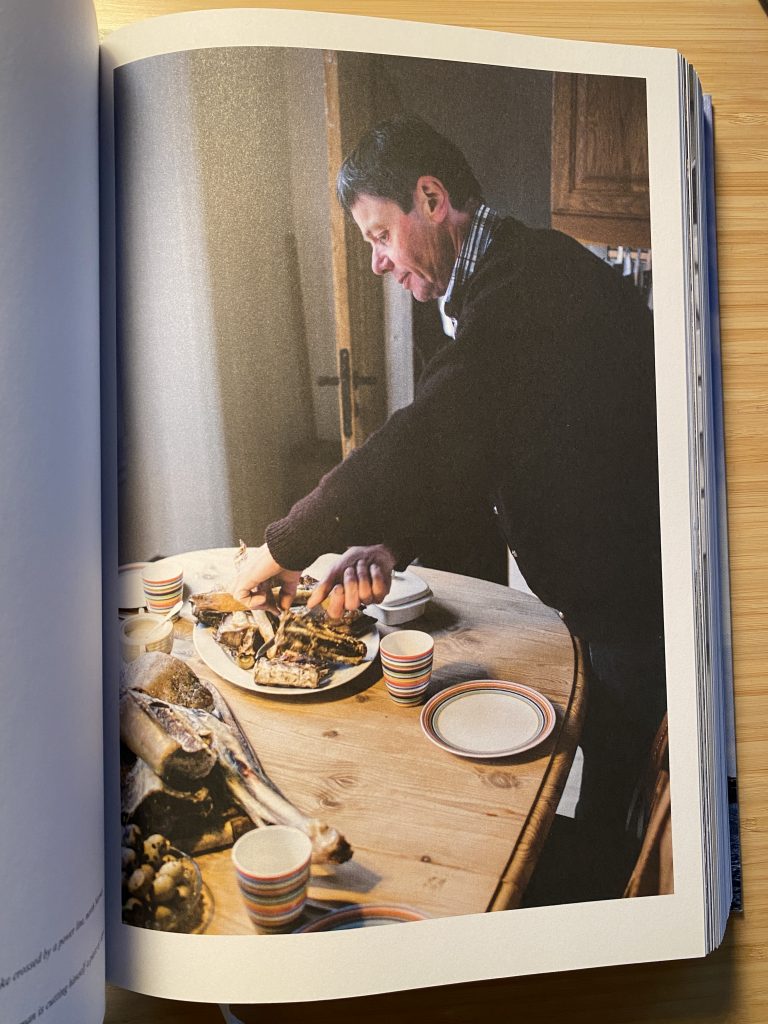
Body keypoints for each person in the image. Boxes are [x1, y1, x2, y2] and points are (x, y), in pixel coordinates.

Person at [234, 116, 666, 897]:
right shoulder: (499, 282)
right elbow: (477, 449)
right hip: (604, 603)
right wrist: (389, 541)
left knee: (610, 827)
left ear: (430, 198)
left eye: (379, 234)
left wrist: (281, 546)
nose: (376, 262)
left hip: (637, 608)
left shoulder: (530, 285)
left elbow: (433, 432)